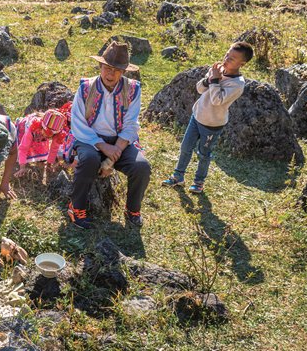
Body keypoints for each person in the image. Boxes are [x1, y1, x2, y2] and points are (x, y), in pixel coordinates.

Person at [68, 42, 150, 230]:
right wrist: (103, 146)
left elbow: (130, 124)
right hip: (89, 139)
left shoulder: (133, 90)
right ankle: (76, 207)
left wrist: (115, 153)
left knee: (142, 167)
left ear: (123, 72)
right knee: (88, 159)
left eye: (115, 70)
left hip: (120, 141)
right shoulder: (85, 88)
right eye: (106, 68)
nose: (110, 74)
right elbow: (78, 123)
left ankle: (133, 210)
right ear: (100, 67)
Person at [162, 42, 253, 194]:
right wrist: (209, 79)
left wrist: (216, 80)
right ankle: (178, 176)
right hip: (197, 116)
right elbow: (199, 88)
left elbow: (217, 101)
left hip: (212, 124)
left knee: (204, 153)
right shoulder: (217, 70)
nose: (226, 59)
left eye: (232, 58)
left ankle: (198, 182)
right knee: (186, 147)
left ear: (242, 63)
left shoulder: (237, 84)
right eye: (227, 55)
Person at [14, 105, 75, 178]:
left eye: (50, 135)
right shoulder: (32, 128)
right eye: (46, 133)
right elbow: (23, 148)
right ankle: (22, 161)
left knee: (42, 146)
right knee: (26, 144)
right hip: (27, 131)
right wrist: (22, 167)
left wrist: (49, 164)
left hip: (40, 134)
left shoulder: (57, 133)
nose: (47, 136)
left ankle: (40, 159)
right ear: (41, 127)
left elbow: (54, 149)